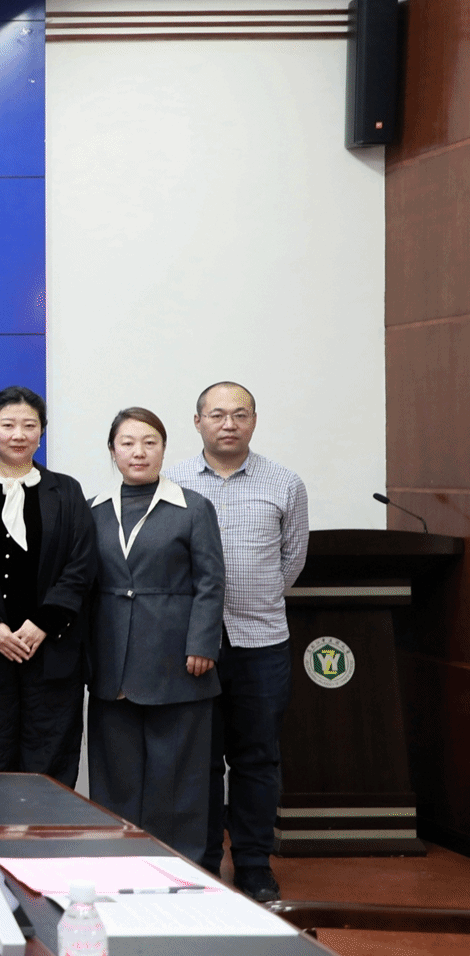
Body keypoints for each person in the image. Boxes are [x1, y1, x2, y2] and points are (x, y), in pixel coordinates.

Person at [164, 382, 309, 900]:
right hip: (190, 644)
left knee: (257, 757)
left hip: (261, 641)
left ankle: (252, 863)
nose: (229, 423)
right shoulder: (172, 481)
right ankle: (201, 861)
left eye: (240, 414)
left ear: (254, 421)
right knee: (198, 759)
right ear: (197, 421)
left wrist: (255, 597)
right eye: (217, 414)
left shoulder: (285, 482)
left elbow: (292, 560)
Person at [86, 407, 225, 863]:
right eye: (127, 443)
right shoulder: (93, 509)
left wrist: (202, 643)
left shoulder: (193, 507)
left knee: (178, 776)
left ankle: (179, 867)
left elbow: (211, 582)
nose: (139, 452)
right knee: (116, 776)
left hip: (178, 660)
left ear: (164, 449)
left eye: (150, 442)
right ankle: (119, 863)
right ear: (112, 451)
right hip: (113, 660)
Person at [0, 387, 98, 785]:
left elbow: (81, 565)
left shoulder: (66, 492)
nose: (19, 434)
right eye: (8, 425)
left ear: (41, 432)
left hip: (52, 656)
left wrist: (43, 622)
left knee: (48, 770)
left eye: (29, 425)